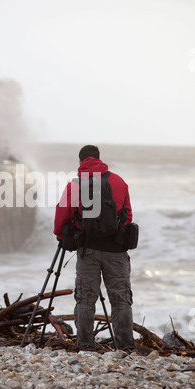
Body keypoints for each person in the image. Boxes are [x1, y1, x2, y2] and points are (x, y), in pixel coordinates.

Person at [53, 145, 136, 353]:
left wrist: (62, 237)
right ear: (100, 159)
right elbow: (128, 215)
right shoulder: (118, 181)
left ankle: (86, 345)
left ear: (80, 162)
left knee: (85, 299)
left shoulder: (74, 186)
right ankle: (126, 346)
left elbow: (62, 216)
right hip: (116, 251)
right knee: (121, 299)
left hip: (88, 250)